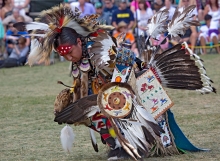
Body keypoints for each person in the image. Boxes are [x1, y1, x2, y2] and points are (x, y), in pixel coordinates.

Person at [18, 4, 215, 161]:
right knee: (86, 106)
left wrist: (100, 98)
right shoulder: (81, 61)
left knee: (106, 102)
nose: (69, 57)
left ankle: (129, 144)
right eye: (64, 55)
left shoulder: (99, 47)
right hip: (118, 93)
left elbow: (124, 69)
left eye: (70, 52)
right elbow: (86, 92)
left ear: (79, 42)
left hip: (138, 85)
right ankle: (119, 143)